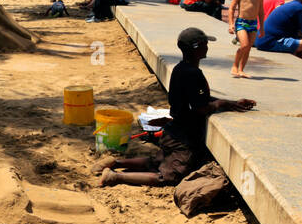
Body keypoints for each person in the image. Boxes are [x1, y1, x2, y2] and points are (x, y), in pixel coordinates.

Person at [100, 28, 255, 187]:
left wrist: (231, 103)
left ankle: (115, 162)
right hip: (183, 138)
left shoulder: (179, 69)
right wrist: (220, 104)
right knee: (168, 176)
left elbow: (199, 98)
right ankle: (115, 177)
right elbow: (200, 107)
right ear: (197, 48)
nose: (207, 47)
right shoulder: (194, 74)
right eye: (205, 44)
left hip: (172, 130)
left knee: (156, 162)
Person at [227, 0, 264, 78]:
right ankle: (235, 65)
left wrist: (262, 27)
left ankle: (241, 69)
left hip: (253, 24)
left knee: (248, 48)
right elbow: (231, 8)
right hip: (241, 23)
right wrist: (231, 23)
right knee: (245, 45)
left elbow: (261, 12)